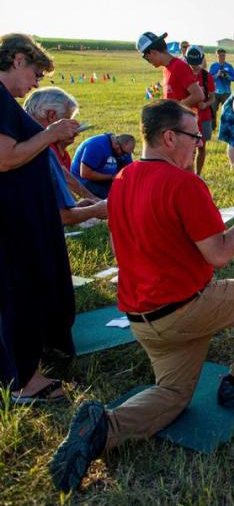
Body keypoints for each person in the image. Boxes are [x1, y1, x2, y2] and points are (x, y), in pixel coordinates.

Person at [49, 99, 234, 492]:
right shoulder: (185, 184)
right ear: (169, 137)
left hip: (144, 321)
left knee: (173, 396)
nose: (199, 144)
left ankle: (104, 429)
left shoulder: (126, 179)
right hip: (186, 309)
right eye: (194, 136)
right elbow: (219, 254)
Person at [0, 34, 81, 404]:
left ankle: (26, 368)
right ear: (17, 60)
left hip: (21, 212)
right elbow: (6, 158)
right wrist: (50, 134)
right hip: (13, 217)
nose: (36, 82)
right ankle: (24, 381)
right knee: (19, 292)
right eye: (34, 72)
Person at [23, 88, 108, 225]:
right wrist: (96, 209)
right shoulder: (38, 148)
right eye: (68, 120)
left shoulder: (30, 141)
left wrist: (76, 206)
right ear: (51, 116)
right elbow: (61, 216)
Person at [137, 31, 203, 109]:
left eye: (147, 59)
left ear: (153, 52)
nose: (149, 62)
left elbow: (198, 95)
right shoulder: (166, 68)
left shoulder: (179, 66)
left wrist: (174, 110)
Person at [69, 132, 135, 199]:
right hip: (84, 180)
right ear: (116, 145)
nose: (125, 156)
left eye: (129, 153)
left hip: (105, 177)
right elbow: (85, 173)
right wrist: (111, 177)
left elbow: (129, 171)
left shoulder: (123, 149)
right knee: (111, 199)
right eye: (124, 153)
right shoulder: (96, 146)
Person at [184, 45, 215, 175]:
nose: (195, 66)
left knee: (202, 147)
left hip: (204, 117)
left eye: (197, 63)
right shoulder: (184, 74)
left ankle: (198, 174)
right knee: (188, 147)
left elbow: (213, 97)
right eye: (192, 63)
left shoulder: (207, 76)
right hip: (187, 117)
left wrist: (206, 104)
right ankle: (188, 173)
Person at [209, 48, 234, 133]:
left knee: (227, 111)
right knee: (213, 111)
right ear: (216, 55)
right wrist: (217, 75)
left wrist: (227, 76)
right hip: (216, 92)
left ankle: (226, 129)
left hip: (226, 92)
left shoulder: (229, 66)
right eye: (220, 55)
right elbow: (209, 79)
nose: (222, 57)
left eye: (224, 55)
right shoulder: (213, 66)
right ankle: (212, 128)